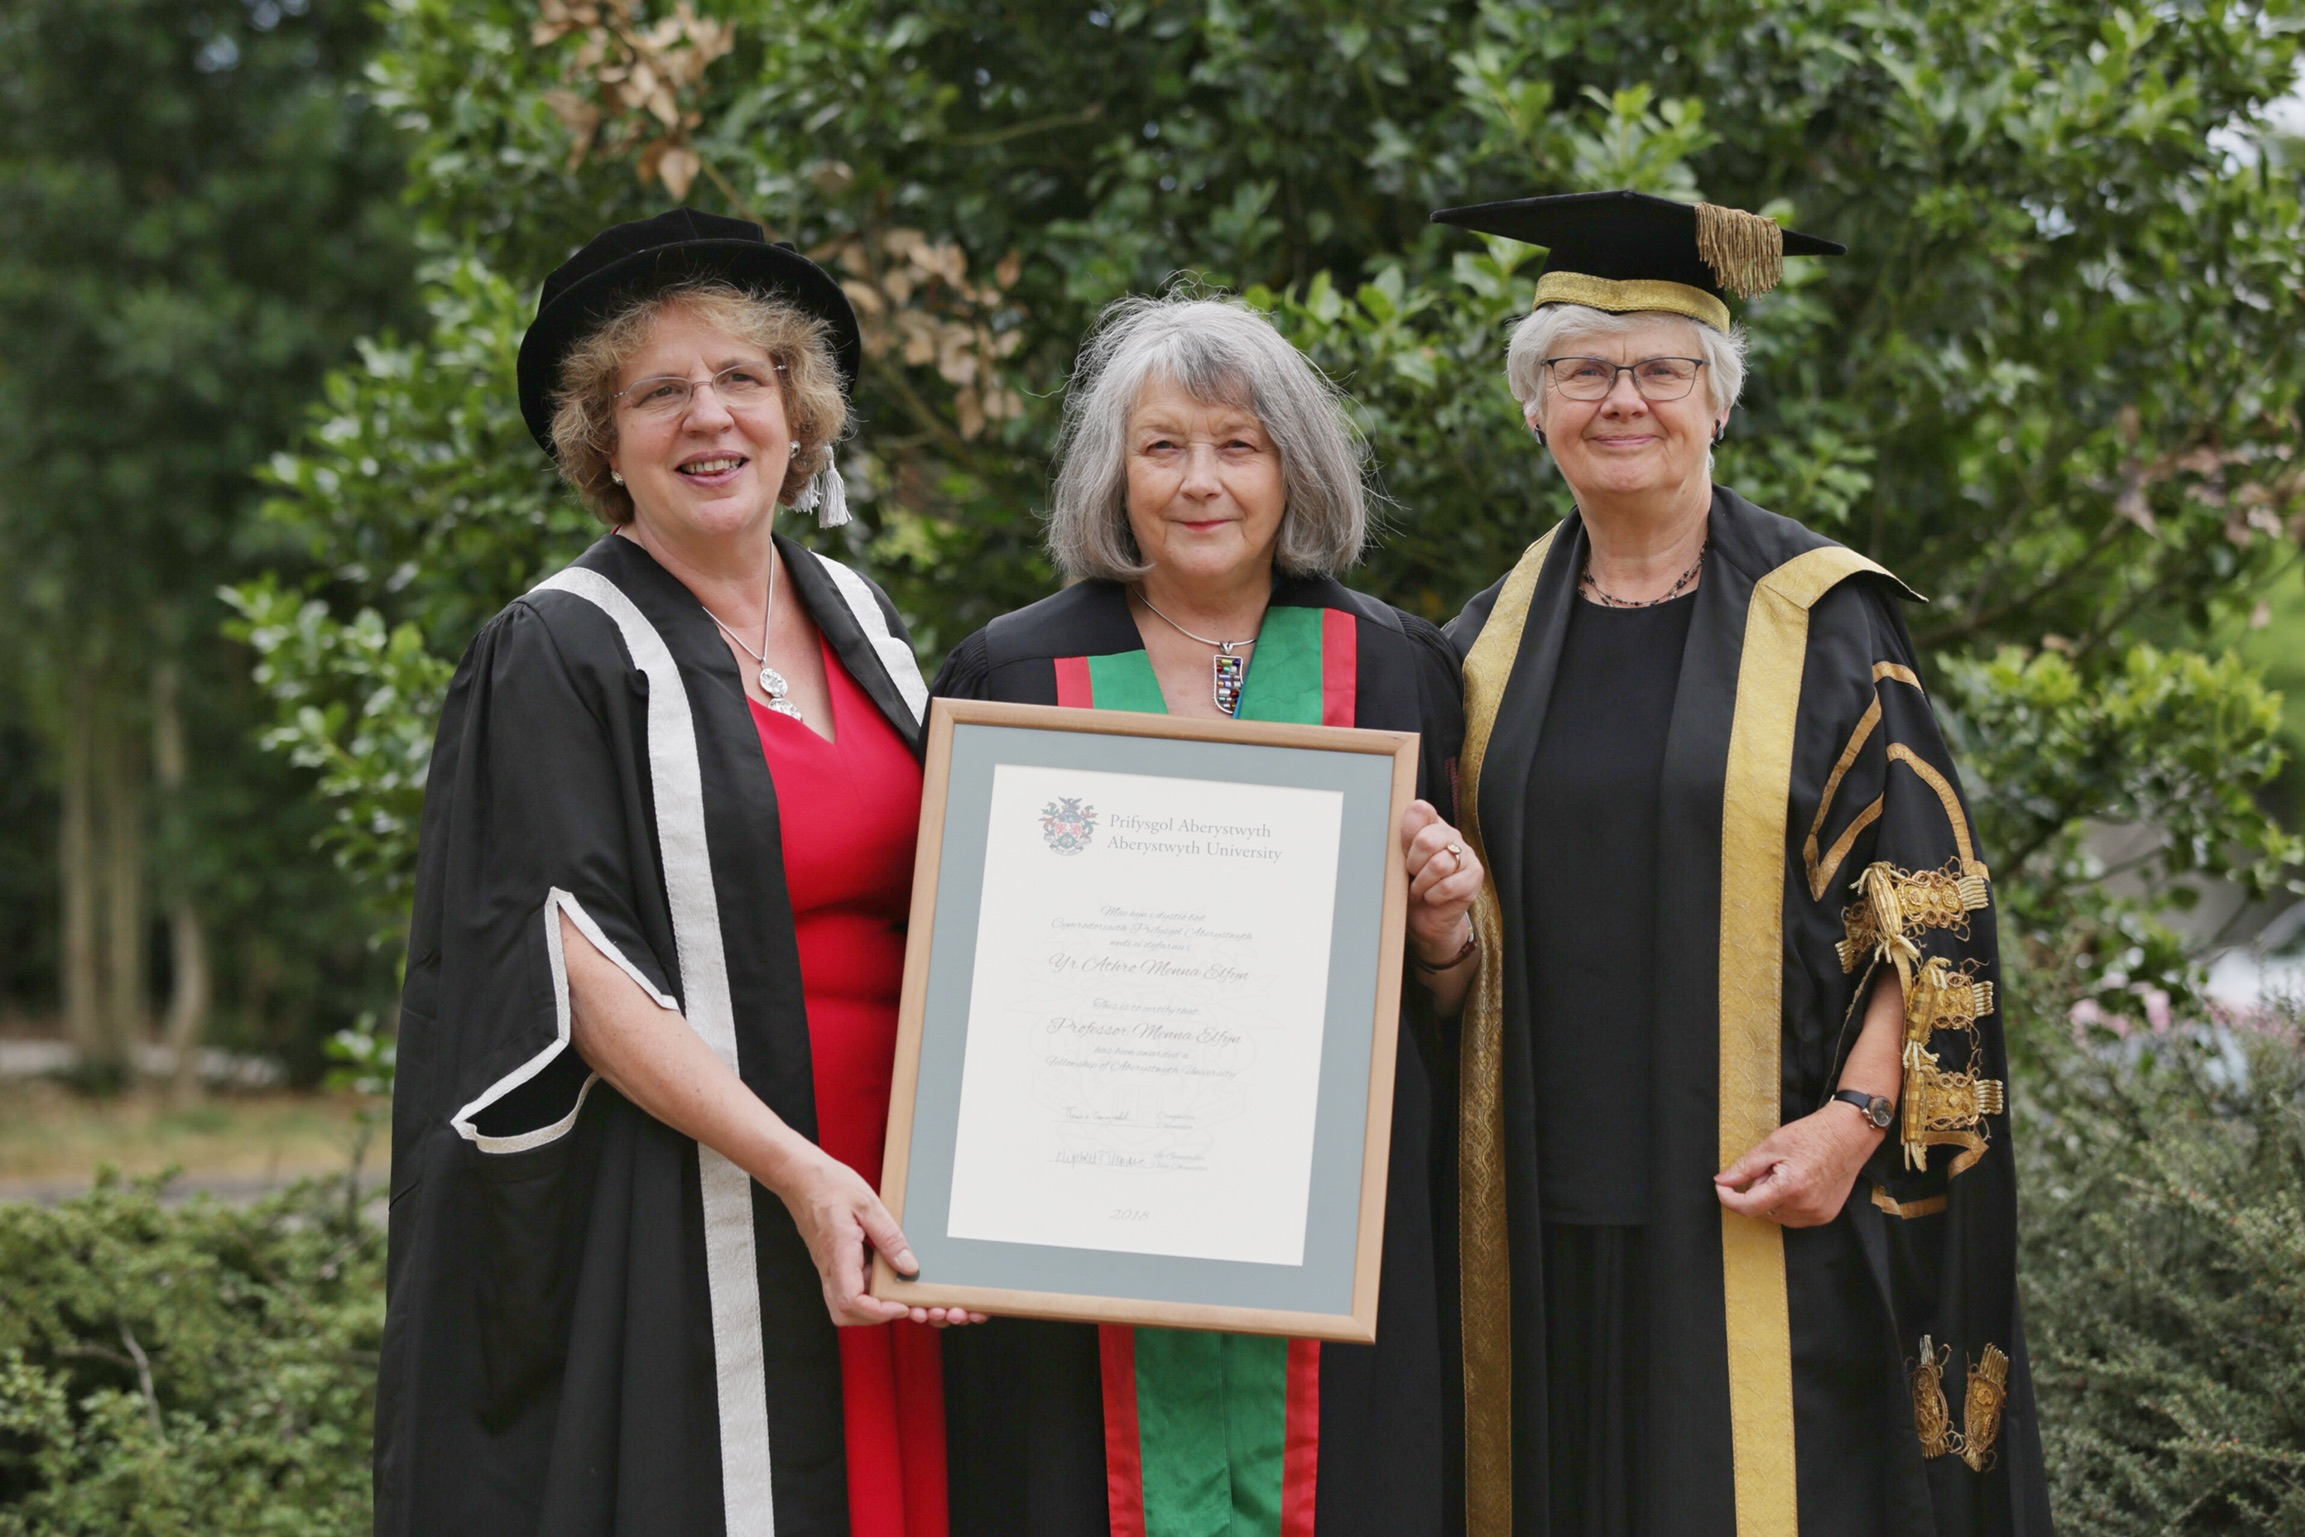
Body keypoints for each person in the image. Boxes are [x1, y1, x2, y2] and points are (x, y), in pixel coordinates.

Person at [1428, 188, 2054, 1537]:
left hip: (1767, 1199)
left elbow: (1931, 905)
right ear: (1533, 408)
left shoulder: (1824, 620)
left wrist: (1854, 1121)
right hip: (1536, 1206)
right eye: (1581, 370)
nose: (1622, 399)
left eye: (1662, 369)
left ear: (1718, 402)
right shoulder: (1477, 645)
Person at [375, 208, 976, 1537]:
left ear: (796, 414)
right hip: (714, 1196)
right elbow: (571, 970)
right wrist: (797, 1168)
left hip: (905, 1196)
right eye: (660, 394)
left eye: (742, 380)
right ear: (605, 443)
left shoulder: (861, 620)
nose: (709, 418)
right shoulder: (560, 649)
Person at [932, 293, 1480, 1537]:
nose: (1200, 481)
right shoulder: (1015, 678)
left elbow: (1447, 996)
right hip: (1078, 1227)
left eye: (1239, 444)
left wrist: (1447, 923)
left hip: (1333, 1222)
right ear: (1112, 472)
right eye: (1162, 444)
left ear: (1295, 464)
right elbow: (961, 979)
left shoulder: (1395, 668)